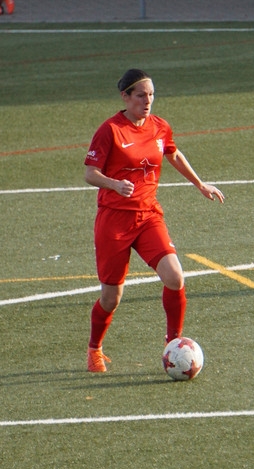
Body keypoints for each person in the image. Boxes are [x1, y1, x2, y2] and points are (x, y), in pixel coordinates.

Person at [84, 69, 225, 373]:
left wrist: (200, 184)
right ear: (125, 97)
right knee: (111, 298)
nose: (147, 101)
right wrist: (113, 184)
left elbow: (173, 154)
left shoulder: (160, 126)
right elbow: (90, 173)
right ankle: (94, 349)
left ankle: (173, 344)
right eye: (140, 95)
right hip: (114, 222)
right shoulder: (110, 130)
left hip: (148, 216)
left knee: (175, 277)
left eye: (151, 95)